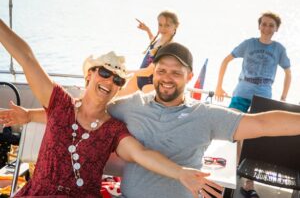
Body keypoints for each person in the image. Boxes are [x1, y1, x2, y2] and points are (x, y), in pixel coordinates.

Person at [4, 42, 300, 198]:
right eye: (162, 70)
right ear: (153, 73)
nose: (167, 78)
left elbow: (262, 123)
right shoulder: (128, 107)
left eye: (176, 72)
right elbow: (81, 114)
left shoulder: (207, 114)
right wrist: (29, 115)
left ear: (189, 77)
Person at [0, 19, 223, 198]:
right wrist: (29, 115)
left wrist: (181, 173)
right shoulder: (60, 104)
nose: (109, 81)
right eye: (104, 73)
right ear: (90, 74)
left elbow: (141, 154)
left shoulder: (113, 129)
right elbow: (26, 58)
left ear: (119, 89)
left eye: (117, 79)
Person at [215, 11, 292, 198]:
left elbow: (288, 73)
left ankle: (249, 182)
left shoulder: (279, 49)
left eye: (271, 25)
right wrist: (219, 86)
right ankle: (229, 174)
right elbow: (226, 60)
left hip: (263, 97)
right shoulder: (248, 44)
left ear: (276, 29)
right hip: (241, 93)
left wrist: (283, 96)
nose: (267, 28)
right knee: (231, 132)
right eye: (264, 24)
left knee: (255, 139)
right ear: (259, 26)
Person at [118, 10, 179, 95]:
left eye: (167, 25)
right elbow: (153, 42)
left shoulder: (169, 48)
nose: (162, 28)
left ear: (175, 26)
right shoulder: (159, 40)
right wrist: (147, 30)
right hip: (138, 78)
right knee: (115, 99)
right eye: (160, 25)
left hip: (149, 83)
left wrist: (124, 71)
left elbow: (148, 72)